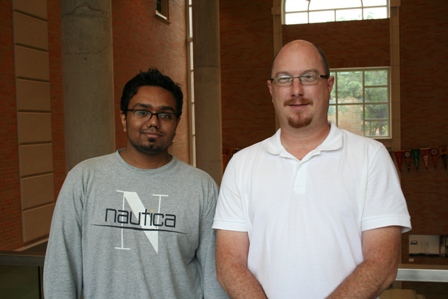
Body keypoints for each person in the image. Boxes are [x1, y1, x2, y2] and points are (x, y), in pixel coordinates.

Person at [213, 40, 411, 299]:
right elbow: (229, 264)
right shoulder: (241, 165)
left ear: (329, 85)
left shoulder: (371, 157)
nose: (296, 90)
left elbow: (382, 264)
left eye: (308, 77)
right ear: (271, 89)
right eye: (284, 79)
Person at [44, 68, 227, 298]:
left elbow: (214, 276)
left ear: (177, 123)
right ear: (124, 118)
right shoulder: (84, 178)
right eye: (142, 112)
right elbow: (62, 264)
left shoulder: (201, 187)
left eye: (165, 115)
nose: (153, 122)